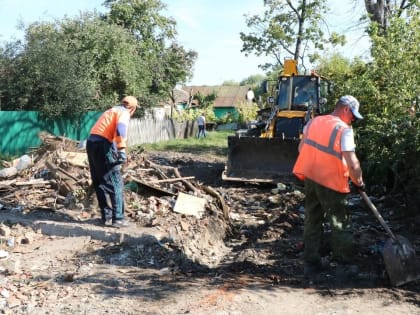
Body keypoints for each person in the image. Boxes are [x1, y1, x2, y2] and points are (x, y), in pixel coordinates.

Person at [292, 95, 365, 276]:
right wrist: (359, 183)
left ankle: (311, 263)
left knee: (312, 219)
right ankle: (344, 263)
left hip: (311, 179)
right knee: (339, 222)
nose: (353, 120)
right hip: (332, 183)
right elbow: (352, 162)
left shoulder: (314, 122)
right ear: (346, 110)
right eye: (353, 116)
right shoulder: (344, 130)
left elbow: (301, 148)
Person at [86, 96, 139, 227]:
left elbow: (106, 133)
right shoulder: (124, 113)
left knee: (99, 181)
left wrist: (115, 148)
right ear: (132, 108)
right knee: (116, 182)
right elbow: (121, 129)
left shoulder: (110, 111)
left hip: (91, 143)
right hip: (102, 144)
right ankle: (118, 218)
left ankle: (106, 216)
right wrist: (121, 150)